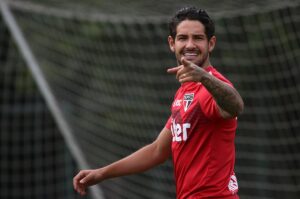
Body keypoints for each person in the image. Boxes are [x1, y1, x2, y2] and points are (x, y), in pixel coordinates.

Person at [73, 6, 244, 199]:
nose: (190, 45)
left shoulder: (212, 85)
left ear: (211, 43)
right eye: (182, 38)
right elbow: (157, 150)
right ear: (172, 43)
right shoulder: (183, 92)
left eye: (197, 38)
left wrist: (205, 78)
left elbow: (235, 105)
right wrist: (101, 173)